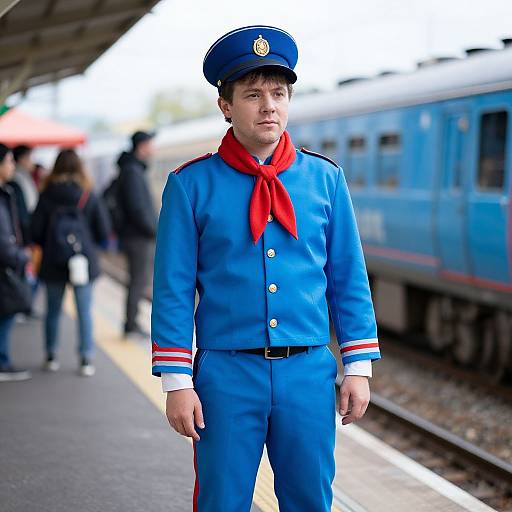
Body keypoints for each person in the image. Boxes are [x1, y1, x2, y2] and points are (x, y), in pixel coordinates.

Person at [151, 26, 381, 511]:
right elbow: (172, 289)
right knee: (222, 500)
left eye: (278, 94)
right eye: (253, 95)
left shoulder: (326, 179)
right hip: (225, 377)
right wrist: (177, 382)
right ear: (226, 106)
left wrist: (357, 367)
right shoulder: (190, 185)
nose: (269, 106)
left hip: (308, 373)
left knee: (309, 500)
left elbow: (348, 279)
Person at [31, 149, 111, 377]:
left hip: (53, 262)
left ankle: (51, 356)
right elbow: (104, 230)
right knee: (84, 311)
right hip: (82, 262)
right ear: (80, 167)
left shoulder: (46, 194)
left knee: (53, 310)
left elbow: (35, 231)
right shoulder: (87, 194)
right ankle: (86, 359)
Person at [116, 130, 157, 337]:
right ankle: (130, 324)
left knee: (138, 279)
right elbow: (137, 208)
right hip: (138, 237)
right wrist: (154, 230)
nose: (153, 148)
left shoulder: (131, 169)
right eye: (150, 144)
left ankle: (131, 322)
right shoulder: (132, 171)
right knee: (138, 280)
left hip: (135, 235)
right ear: (141, 146)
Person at [0, 144, 32, 381]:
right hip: (7, 264)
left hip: (9, 261)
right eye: (9, 161)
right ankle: (2, 361)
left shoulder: (6, 191)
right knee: (7, 311)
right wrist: (22, 257)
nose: (11, 166)